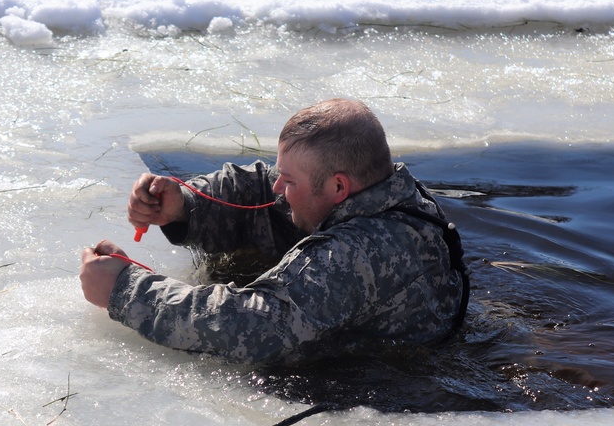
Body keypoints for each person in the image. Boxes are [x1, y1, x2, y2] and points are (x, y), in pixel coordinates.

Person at [80, 98, 468, 364]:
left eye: (290, 180)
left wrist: (125, 290)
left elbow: (253, 325)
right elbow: (259, 189)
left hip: (406, 378)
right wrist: (185, 205)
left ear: (338, 187)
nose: (279, 190)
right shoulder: (380, 190)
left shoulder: (360, 251)